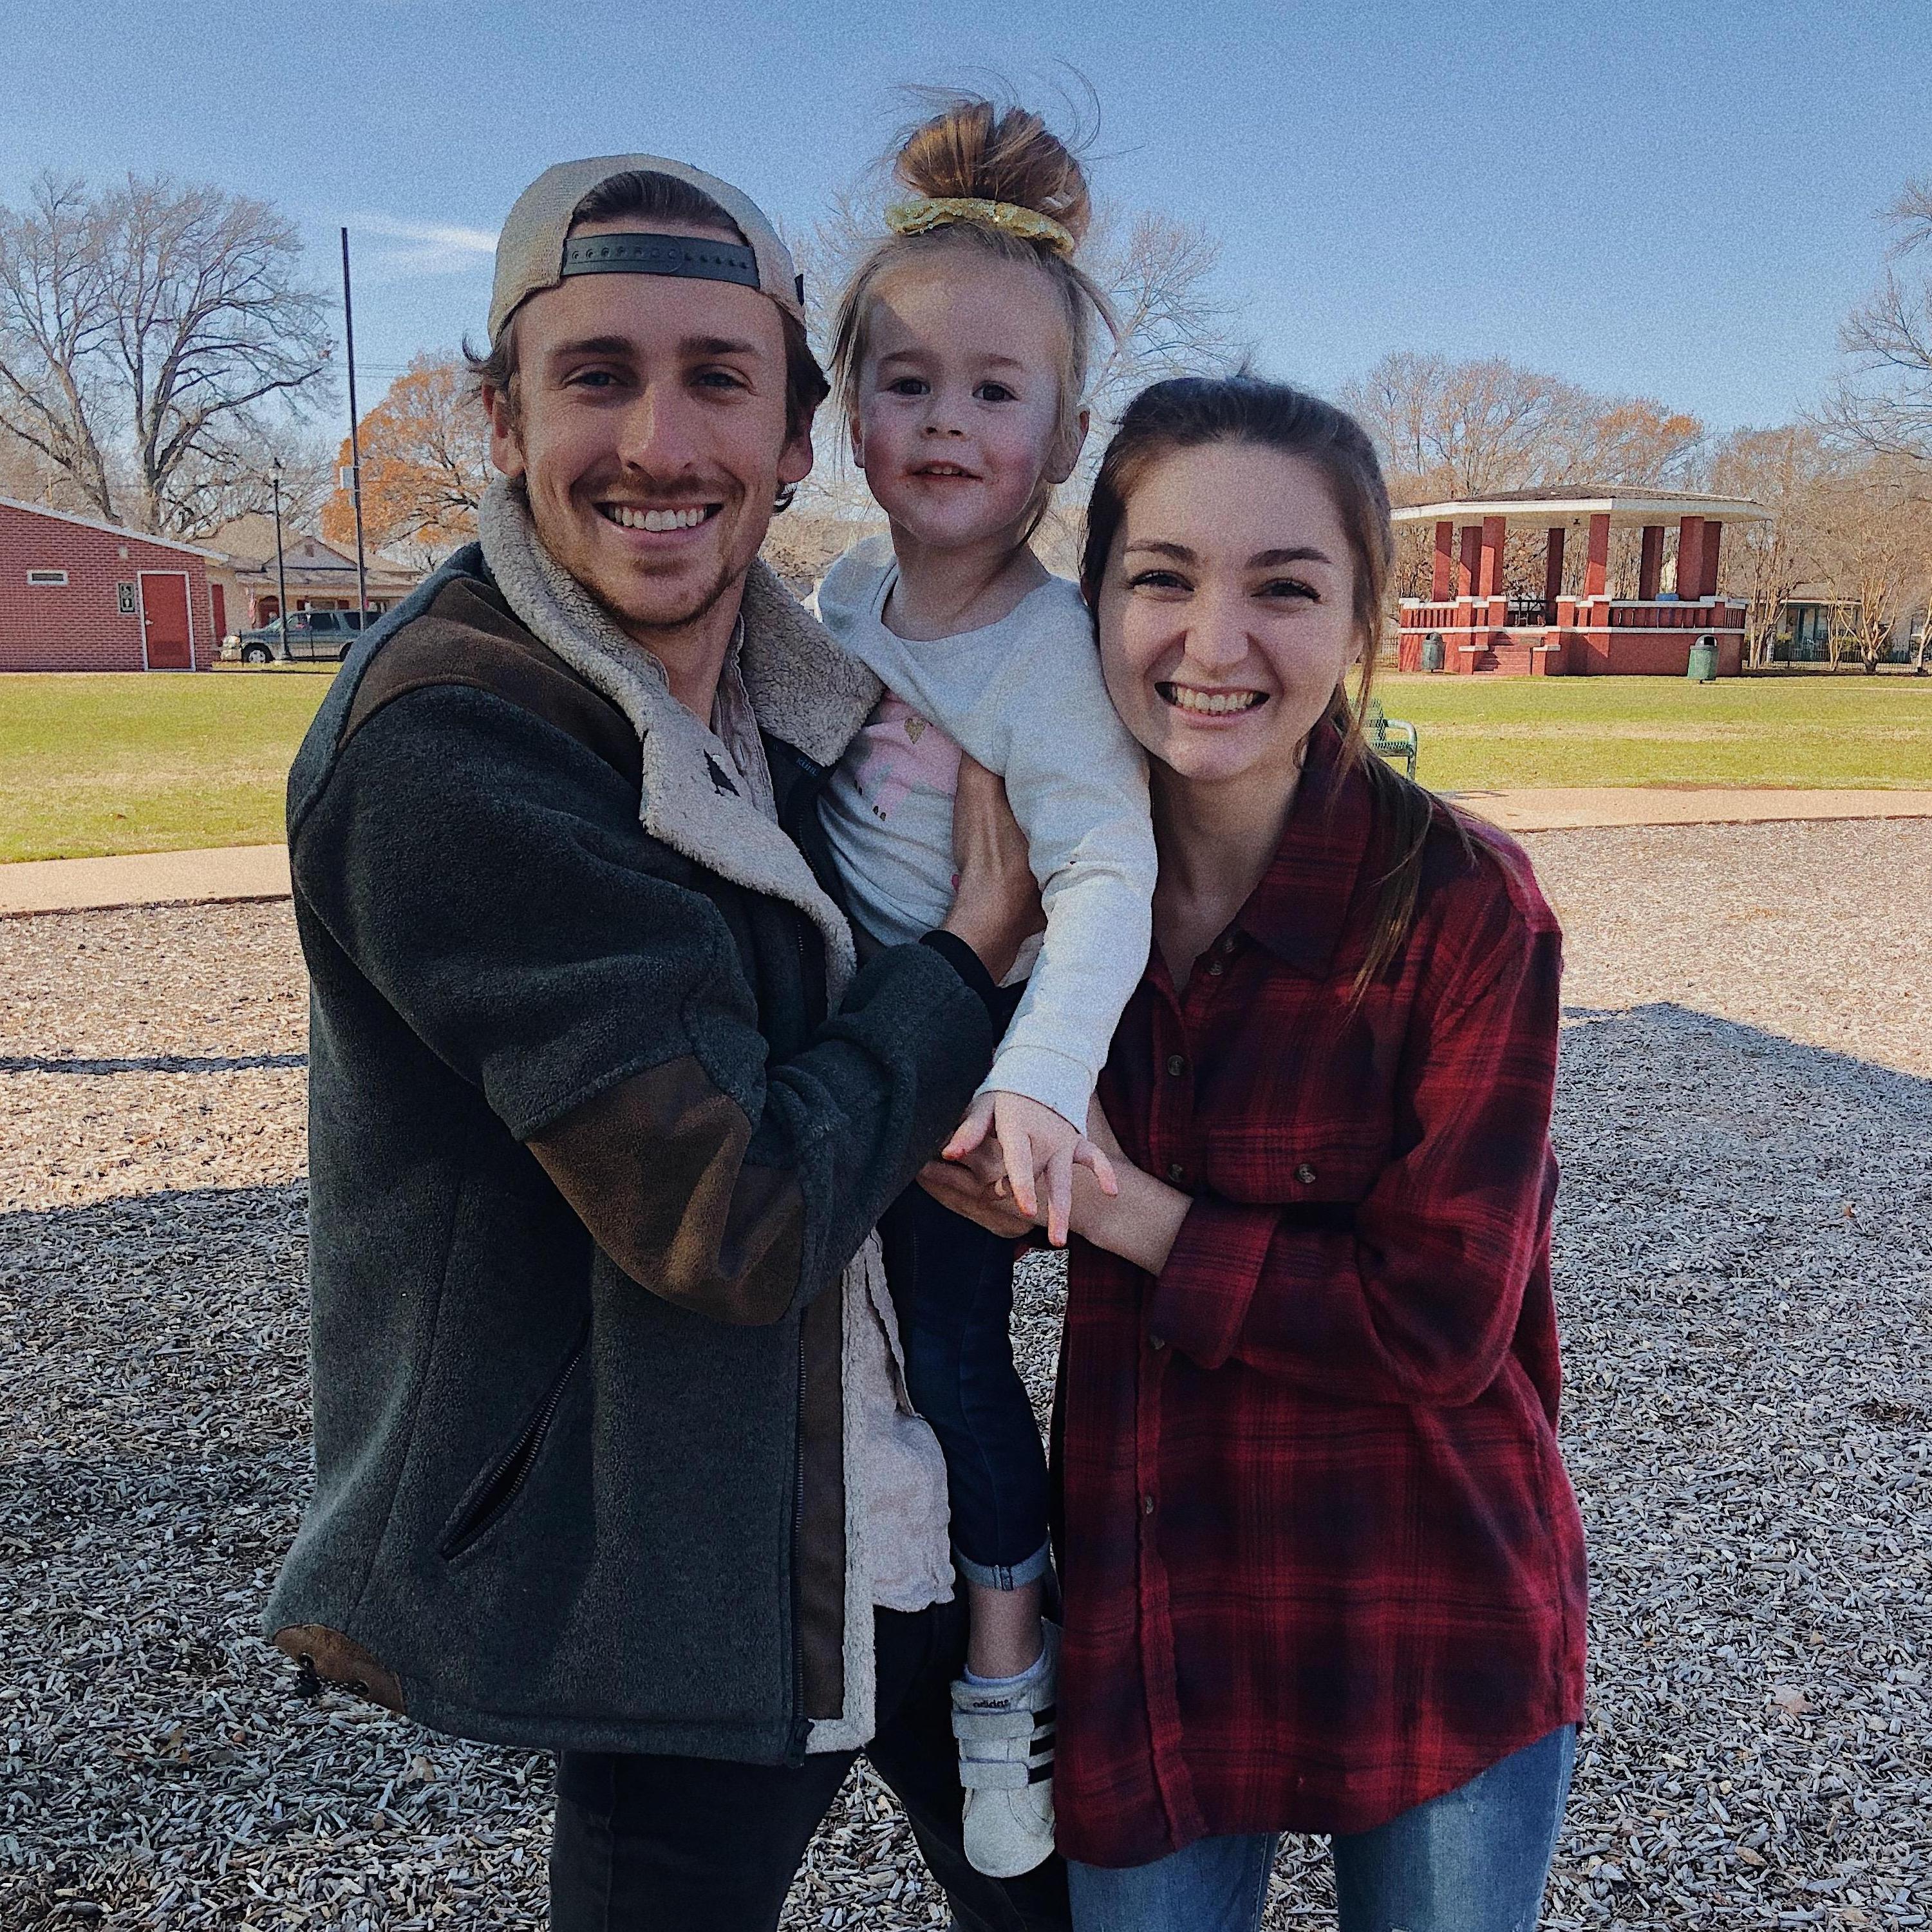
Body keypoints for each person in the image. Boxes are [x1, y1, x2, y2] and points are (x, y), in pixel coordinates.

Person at [260, 151, 1069, 1932]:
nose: (659, 441)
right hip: (678, 1523)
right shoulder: (452, 744)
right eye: (596, 373)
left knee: (1073, 1905)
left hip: (904, 1459)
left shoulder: (830, 692)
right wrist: (966, 955)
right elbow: (738, 1213)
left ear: (798, 434)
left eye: (720, 376)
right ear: (500, 412)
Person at [923, 375, 1589, 1931]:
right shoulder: (1038, 892)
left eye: (1283, 588)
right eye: (1161, 578)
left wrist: (1133, 1212)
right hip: (1157, 1621)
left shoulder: (1466, 908)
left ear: (1359, 618)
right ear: (1090, 599)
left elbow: (1438, 1321)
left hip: (1431, 1614)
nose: (1213, 645)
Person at [814, 95, 1156, 1877]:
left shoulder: (1054, 655)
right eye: (906, 380)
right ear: (846, 406)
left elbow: (1107, 874)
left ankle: (1007, 1668)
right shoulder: (841, 593)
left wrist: (1034, 1081)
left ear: (1063, 432)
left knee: (952, 1356)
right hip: (828, 1062)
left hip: (949, 1082)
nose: (947, 420)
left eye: (993, 391)